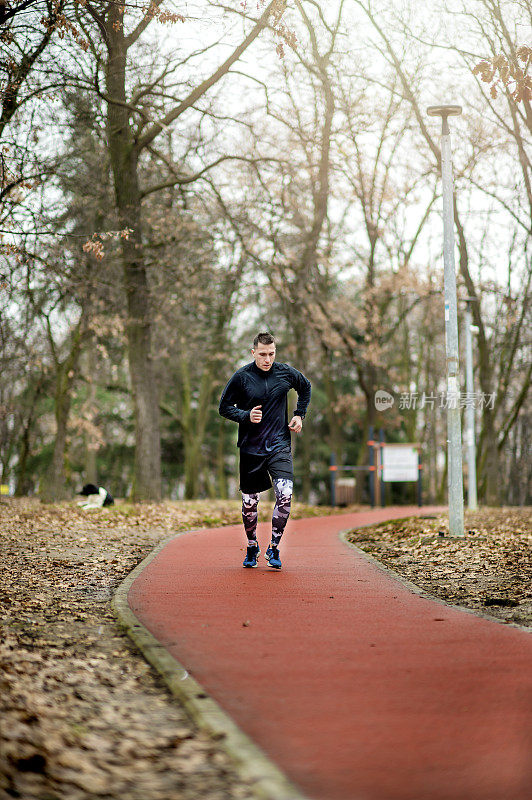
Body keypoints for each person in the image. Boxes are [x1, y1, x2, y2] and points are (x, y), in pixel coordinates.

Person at [219, 332, 311, 570]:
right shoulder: (242, 377)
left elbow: (305, 387)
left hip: (279, 445)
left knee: (286, 495)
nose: (267, 359)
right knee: (250, 503)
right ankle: (252, 546)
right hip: (251, 448)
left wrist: (299, 414)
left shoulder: (285, 373)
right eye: (262, 354)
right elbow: (224, 407)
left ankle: (274, 548)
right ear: (253, 353)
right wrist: (246, 416)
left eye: (271, 354)